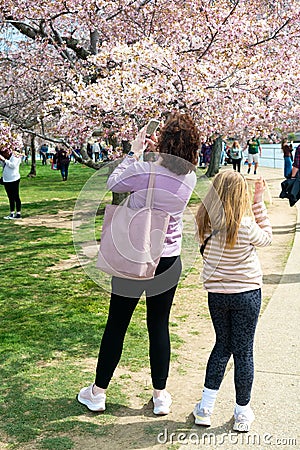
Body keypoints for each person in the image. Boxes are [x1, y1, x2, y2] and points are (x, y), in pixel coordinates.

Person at [77, 112, 200, 415]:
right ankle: (160, 395)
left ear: (165, 141)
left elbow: (113, 181)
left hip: (135, 254)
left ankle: (98, 392)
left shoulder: (146, 169)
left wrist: (135, 152)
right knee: (158, 325)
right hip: (169, 257)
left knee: (117, 323)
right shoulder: (191, 176)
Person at [194, 171, 272, 432]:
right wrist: (258, 203)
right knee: (243, 351)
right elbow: (267, 237)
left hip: (217, 295)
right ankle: (242, 412)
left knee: (222, 346)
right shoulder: (247, 225)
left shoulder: (205, 223)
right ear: (242, 196)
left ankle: (205, 408)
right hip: (247, 294)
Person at [0, 148, 22, 219]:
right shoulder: (8, 157)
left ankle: (18, 213)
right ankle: (12, 213)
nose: (5, 153)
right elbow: (4, 165)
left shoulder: (15, 156)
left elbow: (13, 165)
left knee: (16, 196)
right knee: (10, 197)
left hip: (14, 179)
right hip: (7, 180)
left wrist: (4, 160)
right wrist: (2, 160)